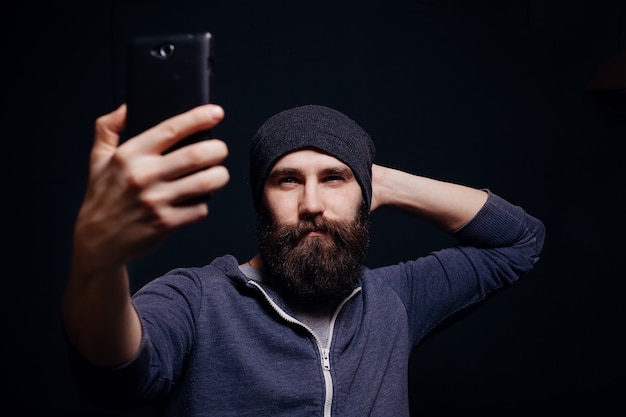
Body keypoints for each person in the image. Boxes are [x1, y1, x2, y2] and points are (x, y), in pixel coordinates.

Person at [62, 102, 545, 417]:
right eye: (288, 179)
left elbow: (519, 241)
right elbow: (118, 368)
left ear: (366, 194)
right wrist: (98, 259)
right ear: (262, 200)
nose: (311, 203)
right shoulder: (198, 298)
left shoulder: (395, 301)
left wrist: (386, 182)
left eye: (334, 178)